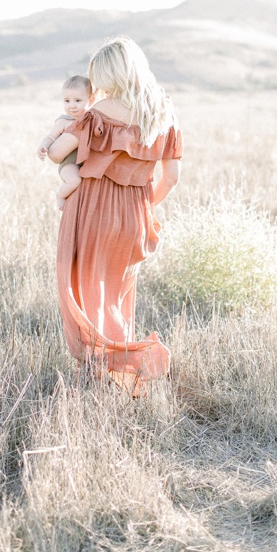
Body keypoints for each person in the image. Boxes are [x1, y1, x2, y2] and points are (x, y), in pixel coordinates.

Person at [46, 36, 181, 394]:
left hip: (92, 209)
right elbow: (171, 177)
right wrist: (142, 206)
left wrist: (61, 126)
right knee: (117, 295)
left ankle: (108, 371)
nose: (98, 84)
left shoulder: (99, 111)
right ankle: (120, 375)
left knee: (85, 292)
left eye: (100, 75)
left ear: (112, 73)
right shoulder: (164, 113)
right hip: (136, 213)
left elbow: (58, 151)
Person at [36, 74, 95, 209]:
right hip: (69, 163)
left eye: (78, 101)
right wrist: (43, 146)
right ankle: (60, 195)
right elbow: (50, 137)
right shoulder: (63, 121)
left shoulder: (92, 119)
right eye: (67, 101)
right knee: (74, 181)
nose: (71, 105)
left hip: (86, 163)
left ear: (90, 101)